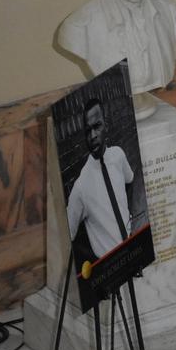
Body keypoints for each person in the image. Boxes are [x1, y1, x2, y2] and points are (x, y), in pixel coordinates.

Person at [66, 98, 136, 259]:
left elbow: (130, 181)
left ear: (106, 125)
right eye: (88, 131)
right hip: (110, 265)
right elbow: (68, 236)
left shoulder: (118, 155)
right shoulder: (81, 187)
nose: (93, 135)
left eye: (97, 126)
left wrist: (129, 216)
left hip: (131, 247)